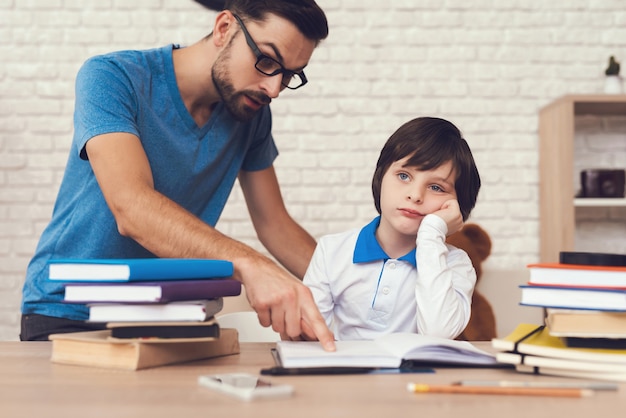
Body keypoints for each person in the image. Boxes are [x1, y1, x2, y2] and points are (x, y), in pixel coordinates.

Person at [20, 0, 335, 350]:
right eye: (266, 61)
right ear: (224, 28)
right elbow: (132, 209)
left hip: (167, 317)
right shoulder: (113, 76)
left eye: (289, 74)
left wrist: (349, 286)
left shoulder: (252, 115)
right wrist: (251, 265)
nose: (273, 89)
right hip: (68, 314)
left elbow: (275, 224)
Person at [303, 117, 481, 340]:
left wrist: (431, 232)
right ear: (380, 177)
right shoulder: (332, 250)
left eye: (436, 187)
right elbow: (309, 337)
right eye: (404, 176)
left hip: (415, 375)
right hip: (346, 373)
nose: (415, 195)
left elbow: (438, 334)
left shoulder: (456, 263)